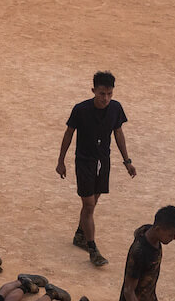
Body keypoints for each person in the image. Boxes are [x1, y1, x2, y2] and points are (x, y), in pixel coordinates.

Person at [56, 71, 134, 266]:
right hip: (84, 161)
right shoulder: (80, 110)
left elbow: (118, 133)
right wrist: (61, 161)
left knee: (92, 202)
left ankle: (80, 234)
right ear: (93, 91)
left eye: (109, 94)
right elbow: (68, 134)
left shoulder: (116, 109)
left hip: (103, 161)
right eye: (101, 94)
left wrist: (127, 161)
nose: (106, 98)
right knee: (89, 205)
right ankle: (92, 249)